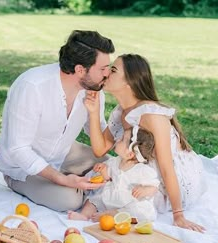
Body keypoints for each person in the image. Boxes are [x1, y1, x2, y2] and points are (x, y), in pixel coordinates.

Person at [84, 53, 205, 232]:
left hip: (171, 177)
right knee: (104, 183)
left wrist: (178, 215)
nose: (107, 72)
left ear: (129, 82)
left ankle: (114, 213)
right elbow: (100, 150)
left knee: (129, 197)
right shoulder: (121, 112)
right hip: (142, 167)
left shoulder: (152, 115)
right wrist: (93, 113)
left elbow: (166, 166)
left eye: (114, 70)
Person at [0, 30, 114, 211]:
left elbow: (97, 134)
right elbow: (18, 150)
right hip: (21, 168)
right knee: (70, 200)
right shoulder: (32, 87)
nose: (108, 74)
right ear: (80, 69)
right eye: (102, 69)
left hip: (63, 151)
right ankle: (76, 185)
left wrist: (119, 123)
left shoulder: (93, 88)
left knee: (115, 170)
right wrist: (62, 179)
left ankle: (84, 184)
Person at [68, 127, 159, 223]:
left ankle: (111, 214)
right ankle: (83, 215)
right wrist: (103, 170)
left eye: (122, 139)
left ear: (130, 154)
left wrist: (145, 190)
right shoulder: (115, 161)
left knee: (139, 211)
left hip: (127, 202)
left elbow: (155, 187)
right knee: (93, 200)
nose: (118, 140)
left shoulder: (143, 171)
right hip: (110, 196)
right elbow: (108, 178)